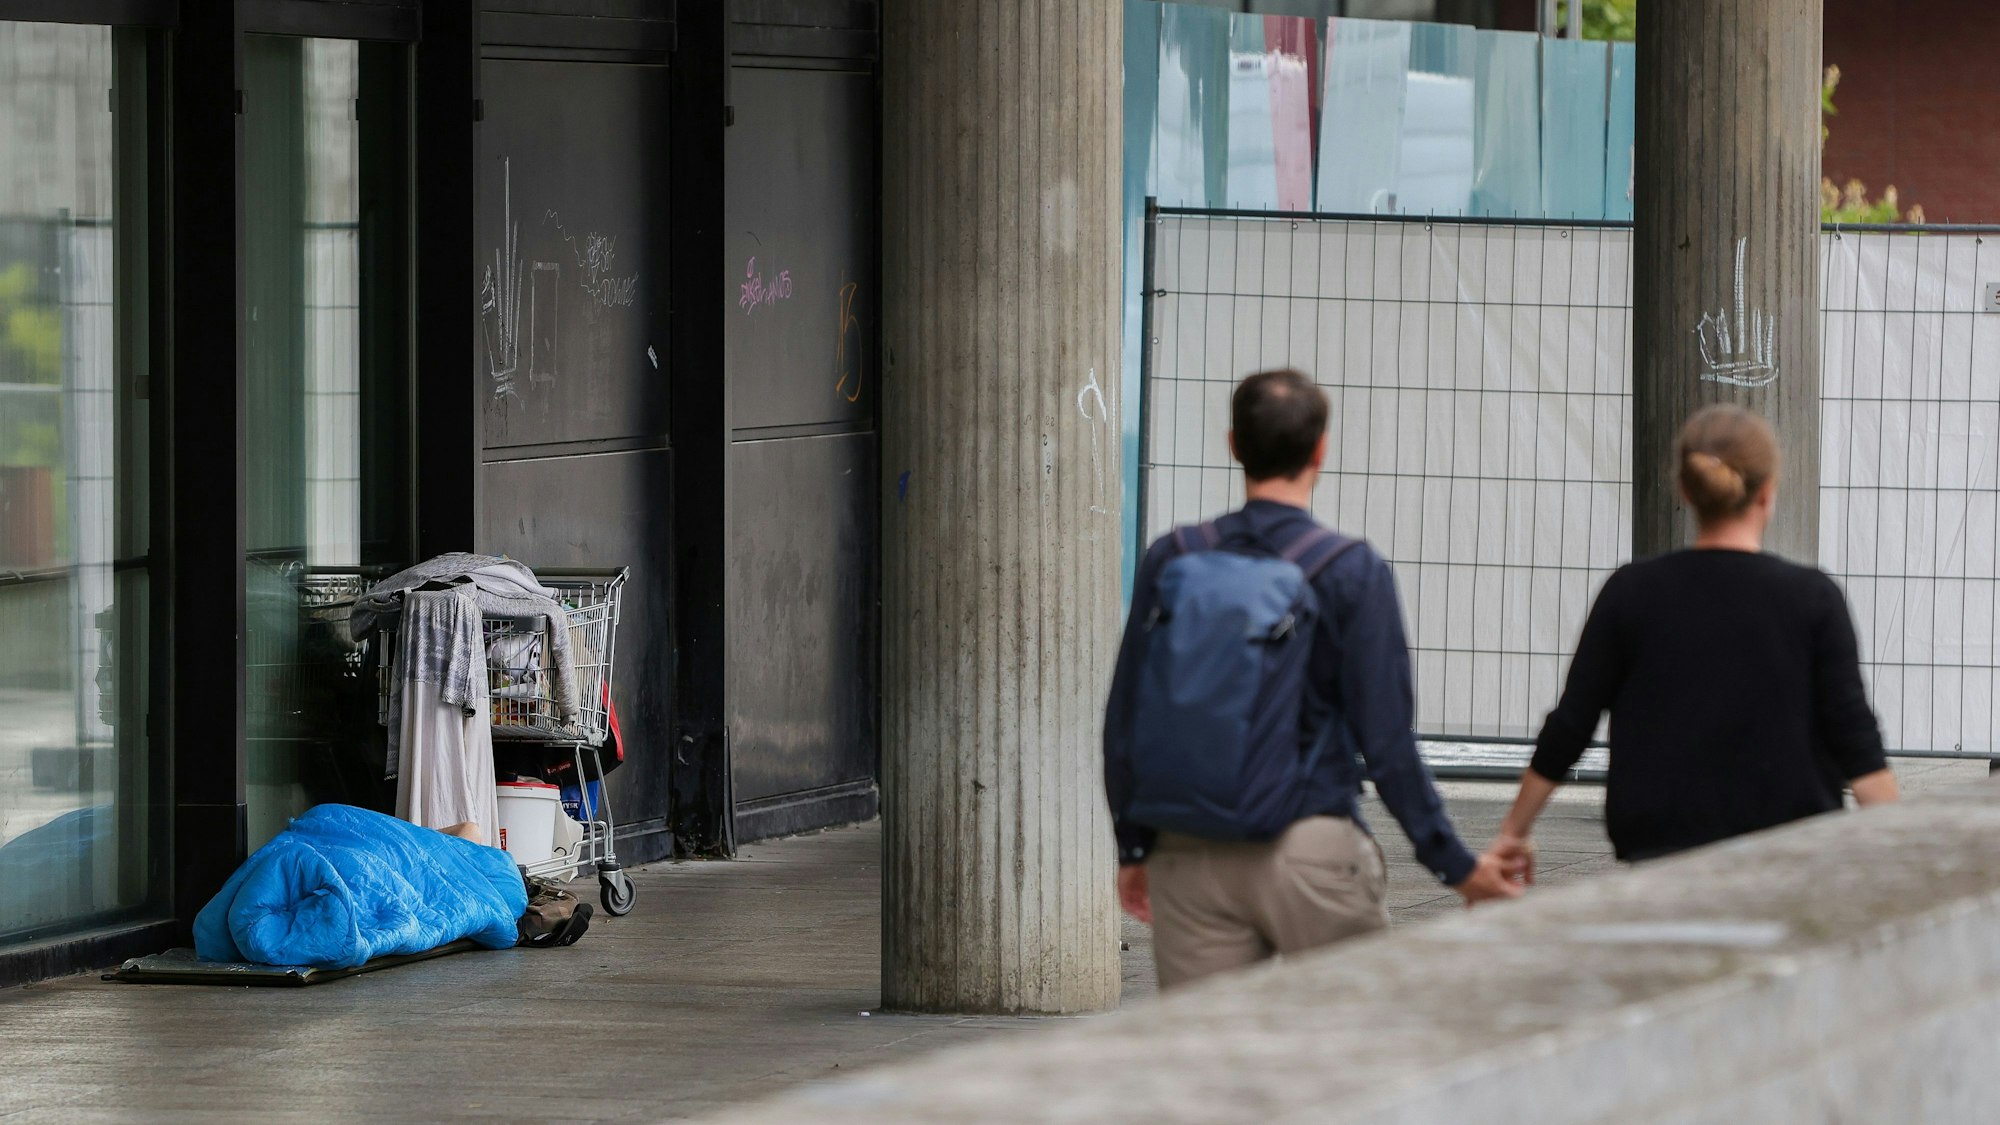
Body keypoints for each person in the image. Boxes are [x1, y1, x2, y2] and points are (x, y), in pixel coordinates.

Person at [1104, 368, 1518, 991]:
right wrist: (1457, 867)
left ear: (1233, 445)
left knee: (1207, 1067)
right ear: (1321, 449)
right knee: (1348, 1059)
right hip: (1311, 850)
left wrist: (1135, 849)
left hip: (1187, 853)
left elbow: (1124, 719)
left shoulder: (1174, 556)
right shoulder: (1351, 570)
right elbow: (1388, 745)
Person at [1484, 405, 1899, 882]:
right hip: (1788, 862)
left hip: (1661, 859)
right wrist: (1903, 857)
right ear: (1768, 494)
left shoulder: (1631, 592)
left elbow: (1571, 726)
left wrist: (1512, 833)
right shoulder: (1812, 599)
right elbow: (1856, 740)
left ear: (1685, 490)